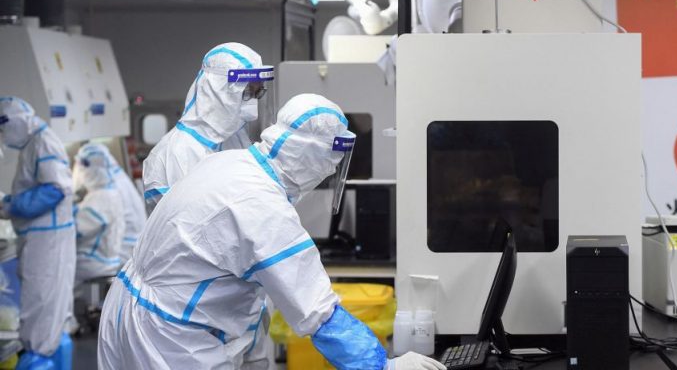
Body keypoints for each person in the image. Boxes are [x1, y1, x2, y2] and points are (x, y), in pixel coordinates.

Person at [98, 94, 444, 370]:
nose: (327, 173)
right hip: (169, 337)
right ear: (315, 155)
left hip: (128, 309)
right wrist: (383, 365)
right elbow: (318, 314)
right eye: (330, 163)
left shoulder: (231, 163)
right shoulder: (263, 206)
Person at [142, 42, 273, 213]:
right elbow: (188, 225)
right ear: (216, 90)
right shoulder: (175, 153)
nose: (253, 109)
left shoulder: (235, 140)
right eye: (246, 92)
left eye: (257, 93)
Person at [0, 96, 75, 369]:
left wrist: (10, 206)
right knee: (46, 309)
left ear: (13, 123)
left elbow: (55, 189)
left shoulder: (42, 140)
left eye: (2, 128)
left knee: (39, 306)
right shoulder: (35, 142)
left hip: (47, 241)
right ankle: (42, 355)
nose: (3, 136)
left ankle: (38, 360)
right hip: (44, 237)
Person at [74, 143, 146, 260]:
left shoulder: (109, 189)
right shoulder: (118, 178)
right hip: (134, 247)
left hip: (124, 252)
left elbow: (82, 226)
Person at [73, 143, 125, 282]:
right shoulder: (110, 193)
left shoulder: (101, 198)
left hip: (94, 264)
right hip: (107, 262)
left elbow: (77, 229)